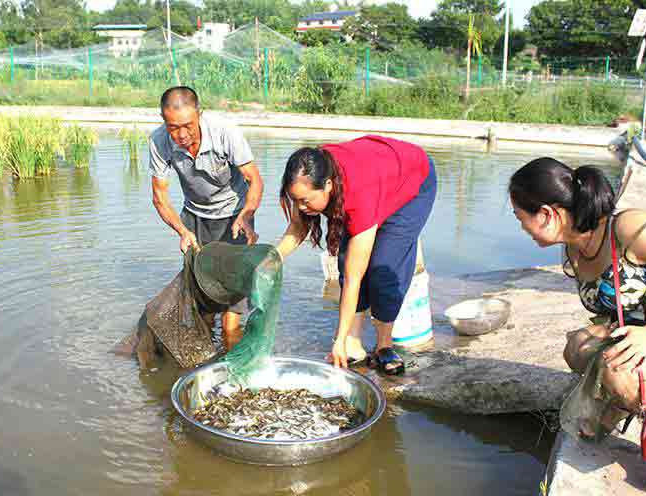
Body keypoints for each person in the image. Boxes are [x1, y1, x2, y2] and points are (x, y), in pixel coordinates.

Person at [509, 157, 646, 495]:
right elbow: (620, 302)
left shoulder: (629, 229)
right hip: (645, 329)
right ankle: (628, 401)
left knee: (618, 370)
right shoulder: (574, 247)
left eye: (521, 218)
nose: (521, 228)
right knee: (578, 347)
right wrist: (610, 329)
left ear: (547, 213)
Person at [276, 135, 436, 375]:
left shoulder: (358, 194)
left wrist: (336, 340)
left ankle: (383, 345)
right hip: (376, 177)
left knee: (383, 267)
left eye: (305, 201)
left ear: (328, 185)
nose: (300, 207)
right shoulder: (312, 171)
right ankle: (354, 342)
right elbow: (298, 229)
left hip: (411, 184)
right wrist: (269, 259)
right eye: (295, 200)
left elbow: (354, 278)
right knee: (344, 257)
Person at [149, 86, 263, 351]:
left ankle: (232, 359)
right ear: (163, 120)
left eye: (188, 125)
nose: (181, 134)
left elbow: (254, 178)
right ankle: (206, 360)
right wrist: (182, 231)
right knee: (203, 304)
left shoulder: (225, 132)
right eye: (172, 127)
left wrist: (248, 215)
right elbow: (159, 197)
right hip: (194, 218)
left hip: (235, 218)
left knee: (231, 315)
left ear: (199, 114)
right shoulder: (158, 141)